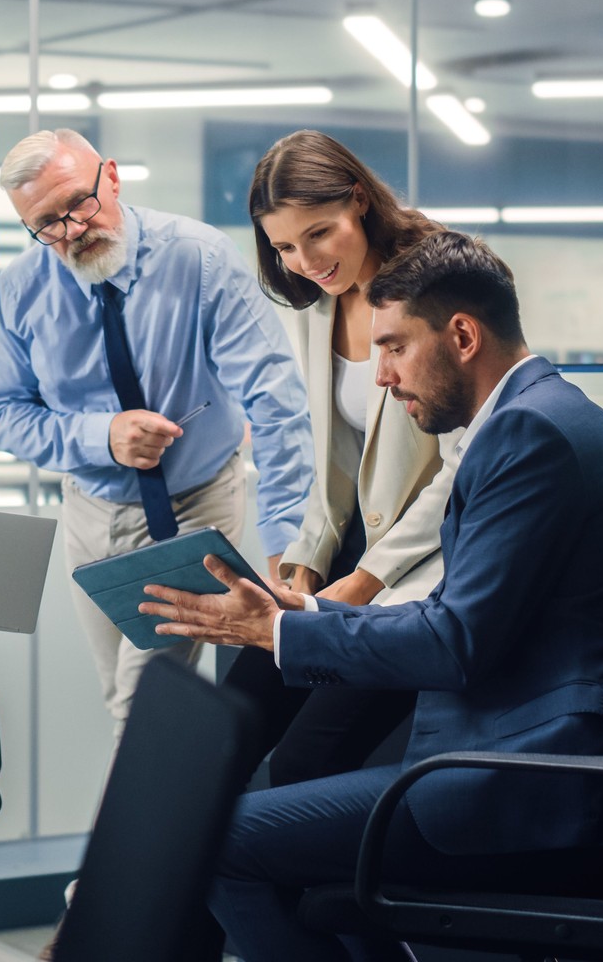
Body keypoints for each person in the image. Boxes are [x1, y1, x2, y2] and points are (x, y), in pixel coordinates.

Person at [139, 232, 603, 961]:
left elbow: (457, 642)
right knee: (302, 854)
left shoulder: (529, 437)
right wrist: (310, 613)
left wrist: (278, 635)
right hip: (510, 756)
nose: (382, 377)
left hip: (528, 785)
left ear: (461, 335)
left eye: (394, 348)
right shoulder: (530, 420)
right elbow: (463, 615)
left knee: (215, 841)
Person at [0, 129, 314, 733]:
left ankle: (136, 830)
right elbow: (0, 414)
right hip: (89, 511)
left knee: (144, 707)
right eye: (47, 224)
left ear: (110, 176)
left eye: (80, 203)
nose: (73, 229)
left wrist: (289, 546)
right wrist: (100, 436)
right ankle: (203, 823)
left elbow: (276, 401)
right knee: (125, 700)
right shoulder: (23, 289)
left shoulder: (200, 258)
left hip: (195, 503)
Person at [224, 130, 459, 789]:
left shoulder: (438, 282)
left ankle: (306, 888)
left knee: (306, 760)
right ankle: (177, 892)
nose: (304, 260)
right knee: (228, 718)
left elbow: (465, 470)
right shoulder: (322, 302)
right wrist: (305, 562)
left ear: (359, 200)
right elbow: (337, 459)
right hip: (351, 553)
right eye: (284, 247)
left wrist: (366, 581)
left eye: (318, 234)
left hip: (423, 570)